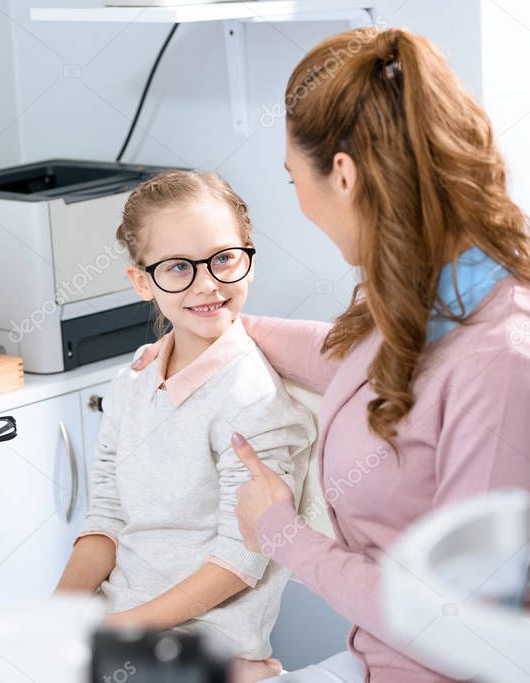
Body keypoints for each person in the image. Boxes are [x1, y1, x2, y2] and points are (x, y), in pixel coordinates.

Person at [134, 27, 530, 682]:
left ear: (341, 174)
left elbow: (464, 627)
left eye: (292, 177)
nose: (296, 195)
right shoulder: (439, 292)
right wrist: (224, 322)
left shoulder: (501, 364)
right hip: (374, 660)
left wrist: (281, 532)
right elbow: (371, 366)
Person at [56, 171, 317, 682]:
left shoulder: (255, 401)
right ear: (141, 281)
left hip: (202, 647)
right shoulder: (132, 381)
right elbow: (107, 518)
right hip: (122, 625)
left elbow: (239, 562)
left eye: (223, 258)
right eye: (177, 267)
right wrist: (57, 616)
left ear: (249, 257)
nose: (207, 283)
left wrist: (118, 631)